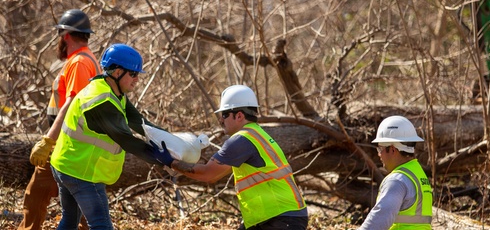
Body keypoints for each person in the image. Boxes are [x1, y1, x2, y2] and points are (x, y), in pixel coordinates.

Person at [49, 43, 174, 230]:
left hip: (65, 165)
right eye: (133, 74)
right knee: (101, 225)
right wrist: (163, 159)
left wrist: (169, 140)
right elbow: (127, 140)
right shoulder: (103, 102)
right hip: (82, 173)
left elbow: (138, 121)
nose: (137, 79)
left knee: (69, 220)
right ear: (117, 72)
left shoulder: (112, 91)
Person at [170, 84, 308, 230]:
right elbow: (216, 173)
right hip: (275, 216)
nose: (221, 120)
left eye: (224, 114)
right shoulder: (257, 134)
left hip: (281, 217)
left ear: (239, 115)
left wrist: (171, 162)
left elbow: (208, 174)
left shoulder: (242, 140)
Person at [20, 9, 101, 230]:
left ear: (65, 35)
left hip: (66, 143)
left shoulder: (79, 63)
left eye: (60, 35)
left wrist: (48, 141)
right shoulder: (82, 60)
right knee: (80, 205)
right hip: (69, 142)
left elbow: (72, 105)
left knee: (36, 196)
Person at [356, 116, 433, 230]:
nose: (379, 154)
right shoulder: (418, 173)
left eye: (380, 149)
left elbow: (380, 218)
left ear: (392, 149)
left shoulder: (397, 180)